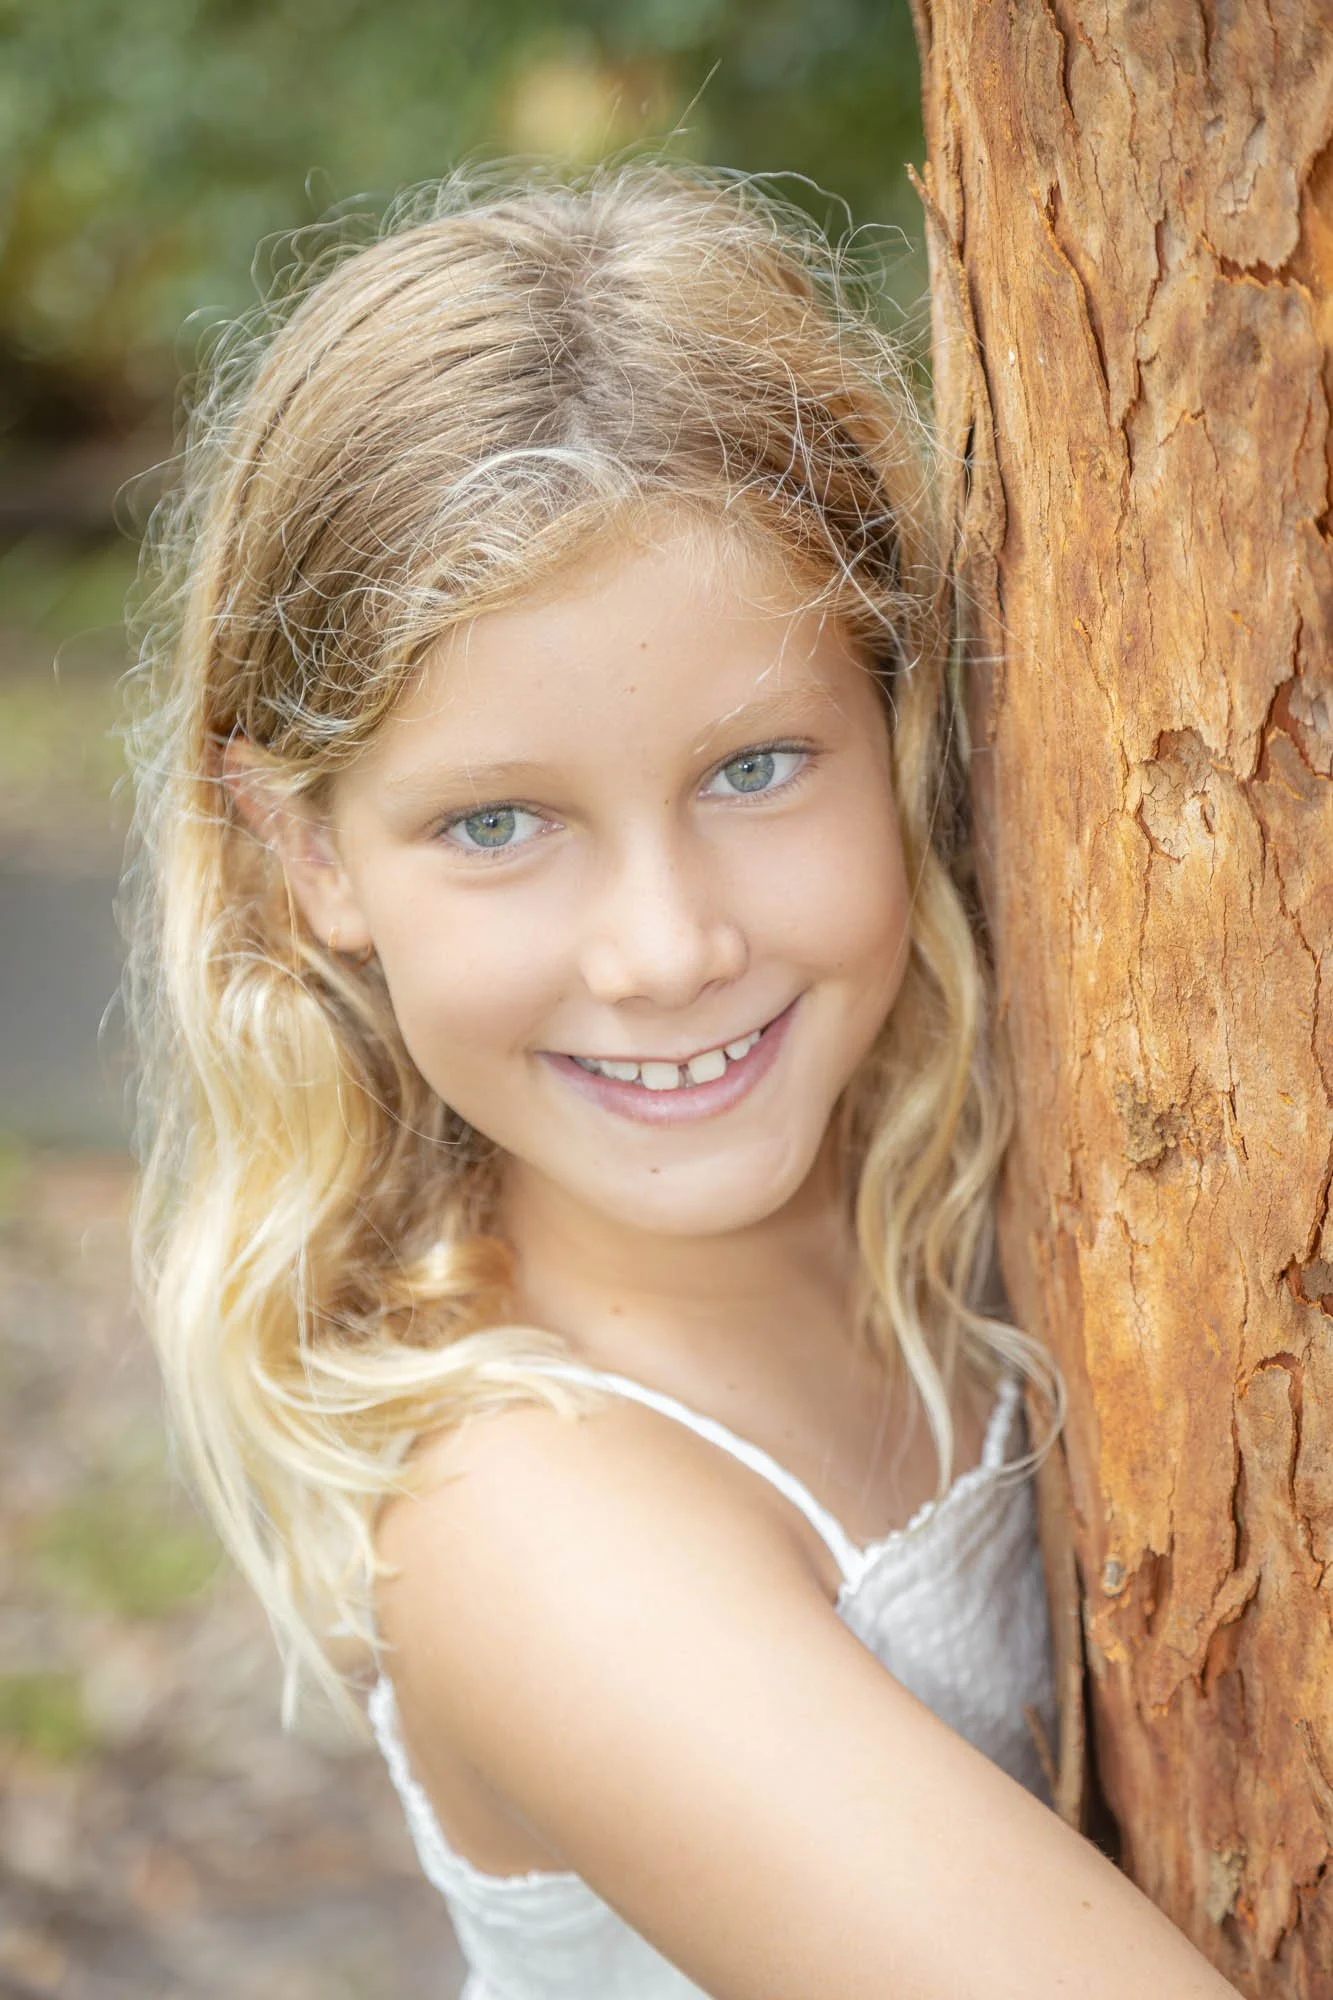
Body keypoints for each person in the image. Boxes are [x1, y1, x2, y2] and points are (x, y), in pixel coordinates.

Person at [125, 161, 1235, 1999]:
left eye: (752, 771)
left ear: (901, 718)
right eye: (498, 822)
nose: (664, 948)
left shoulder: (989, 1168)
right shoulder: (535, 1527)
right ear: (306, 853)